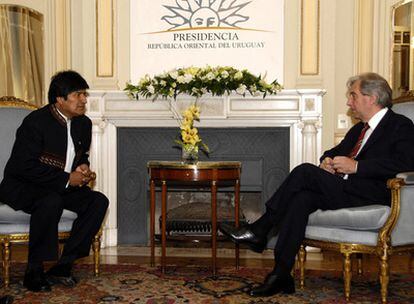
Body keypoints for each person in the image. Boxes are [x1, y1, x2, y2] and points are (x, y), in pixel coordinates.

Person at [219, 72, 414, 297]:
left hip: (374, 192)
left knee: (303, 171)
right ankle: (280, 274)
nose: (349, 102)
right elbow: (333, 152)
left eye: (353, 95)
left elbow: (406, 162)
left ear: (372, 97)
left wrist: (358, 167)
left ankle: (260, 229)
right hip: (347, 190)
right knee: (301, 199)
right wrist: (327, 161)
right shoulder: (360, 129)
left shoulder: (400, 125)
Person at [0, 70, 109, 292]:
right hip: (22, 185)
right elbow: (24, 167)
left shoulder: (83, 124)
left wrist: (82, 167)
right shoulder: (35, 123)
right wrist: (68, 178)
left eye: (84, 94)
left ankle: (63, 265)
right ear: (59, 99)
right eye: (78, 94)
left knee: (98, 201)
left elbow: (80, 156)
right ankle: (34, 270)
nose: (84, 100)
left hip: (58, 185)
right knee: (50, 201)